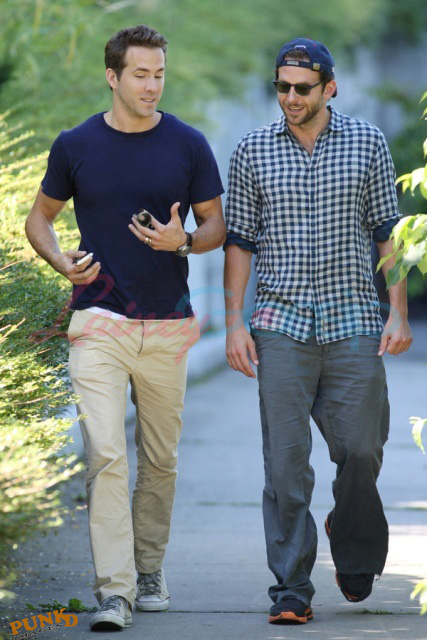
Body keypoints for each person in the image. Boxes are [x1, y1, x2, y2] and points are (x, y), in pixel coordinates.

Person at [25, 24, 225, 632]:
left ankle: (148, 570)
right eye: (140, 74)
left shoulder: (188, 144)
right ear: (112, 76)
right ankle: (115, 591)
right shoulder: (76, 145)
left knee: (159, 460)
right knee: (106, 455)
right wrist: (59, 261)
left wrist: (183, 241)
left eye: (159, 74)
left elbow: (217, 226)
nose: (152, 85)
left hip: (166, 325)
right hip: (99, 321)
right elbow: (40, 219)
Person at [224, 37, 412, 626]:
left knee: (361, 449)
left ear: (329, 88)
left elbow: (388, 232)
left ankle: (351, 536)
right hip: (280, 324)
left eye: (302, 88)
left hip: (353, 319)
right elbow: (240, 242)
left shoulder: (367, 142)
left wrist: (398, 312)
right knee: (285, 465)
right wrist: (234, 324)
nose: (290, 97)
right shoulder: (252, 150)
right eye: (282, 87)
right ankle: (292, 587)